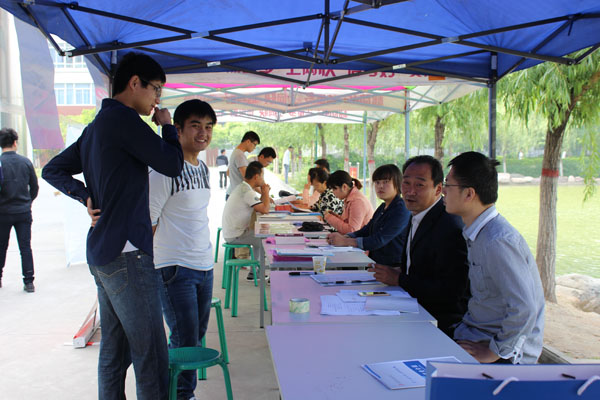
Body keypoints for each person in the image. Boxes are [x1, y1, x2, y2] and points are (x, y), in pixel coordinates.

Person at [42, 52, 183, 399]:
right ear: (135, 83)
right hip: (128, 255)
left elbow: (53, 169)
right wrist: (167, 127)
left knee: (114, 354)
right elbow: (172, 164)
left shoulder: (97, 126)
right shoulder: (124, 121)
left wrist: (84, 196)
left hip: (104, 252)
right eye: (156, 89)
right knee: (151, 355)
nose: (157, 100)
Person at [443, 151, 545, 364]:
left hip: (501, 352)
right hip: (473, 333)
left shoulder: (497, 241)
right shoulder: (477, 232)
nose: (443, 191)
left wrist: (495, 351)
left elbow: (525, 307)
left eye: (448, 185)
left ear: (469, 194)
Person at [149, 99, 216, 399]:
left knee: (194, 339)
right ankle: (180, 395)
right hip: (175, 268)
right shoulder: (164, 172)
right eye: (195, 126)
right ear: (177, 130)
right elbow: (148, 222)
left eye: (208, 127)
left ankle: (182, 393)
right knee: (184, 340)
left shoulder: (202, 168)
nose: (203, 133)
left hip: (204, 265)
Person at [370, 155, 469, 336]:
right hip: (411, 308)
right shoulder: (417, 214)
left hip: (436, 323)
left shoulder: (448, 226)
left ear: (438, 189)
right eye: (406, 183)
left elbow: (450, 292)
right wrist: (398, 272)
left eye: (420, 185)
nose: (410, 191)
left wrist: (399, 279)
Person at [328, 164, 410, 265]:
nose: (380, 186)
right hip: (376, 262)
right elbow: (367, 229)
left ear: (398, 183)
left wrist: (346, 241)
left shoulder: (401, 209)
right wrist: (346, 237)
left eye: (386, 182)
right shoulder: (383, 206)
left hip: (391, 267)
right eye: (377, 182)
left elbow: (379, 239)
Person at [0, 128, 38, 292]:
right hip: (23, 212)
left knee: (1, 246)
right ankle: (29, 282)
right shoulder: (25, 162)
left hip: (3, 213)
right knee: (25, 247)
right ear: (15, 143)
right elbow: (34, 187)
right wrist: (28, 201)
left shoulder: (0, 163)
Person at [222, 161, 270, 280]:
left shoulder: (243, 187)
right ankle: (257, 272)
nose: (263, 179)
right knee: (265, 240)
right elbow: (265, 210)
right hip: (235, 235)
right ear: (256, 176)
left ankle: (255, 271)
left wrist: (264, 193)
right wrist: (266, 192)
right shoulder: (247, 192)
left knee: (261, 236)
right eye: (262, 176)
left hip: (233, 232)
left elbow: (260, 206)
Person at [226, 131, 260, 200]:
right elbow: (248, 179)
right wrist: (264, 192)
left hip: (233, 194)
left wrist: (235, 182)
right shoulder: (240, 155)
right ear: (248, 141)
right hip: (237, 196)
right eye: (255, 144)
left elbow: (228, 173)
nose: (254, 148)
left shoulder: (236, 152)